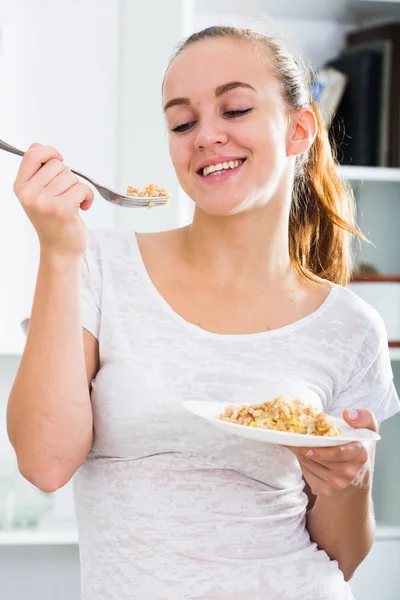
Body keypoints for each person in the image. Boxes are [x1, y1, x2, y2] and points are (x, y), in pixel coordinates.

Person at [7, 25, 400, 600]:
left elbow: (345, 555)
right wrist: (58, 251)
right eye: (183, 122)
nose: (207, 136)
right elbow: (44, 464)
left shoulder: (350, 326)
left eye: (234, 109)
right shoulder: (97, 264)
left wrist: (349, 482)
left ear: (298, 129)